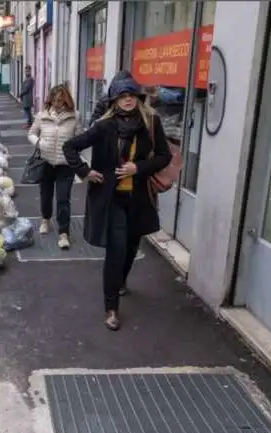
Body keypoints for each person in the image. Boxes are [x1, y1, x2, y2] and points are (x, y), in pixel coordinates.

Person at [62, 74, 172, 331]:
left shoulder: (151, 121)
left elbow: (165, 156)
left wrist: (139, 167)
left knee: (132, 246)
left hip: (139, 197)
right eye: (122, 97)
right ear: (114, 100)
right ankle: (111, 308)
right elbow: (70, 146)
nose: (128, 100)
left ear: (138, 98)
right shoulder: (105, 126)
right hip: (112, 199)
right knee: (116, 250)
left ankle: (121, 282)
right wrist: (85, 171)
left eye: (131, 96)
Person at [27, 84, 81, 250]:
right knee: (46, 194)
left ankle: (64, 233)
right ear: (50, 99)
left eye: (61, 100)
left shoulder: (75, 116)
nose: (58, 103)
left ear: (67, 100)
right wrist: (39, 143)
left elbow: (80, 138)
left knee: (63, 198)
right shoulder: (41, 116)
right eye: (55, 100)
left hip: (66, 165)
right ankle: (45, 219)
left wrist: (74, 147)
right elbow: (31, 133)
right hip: (46, 162)